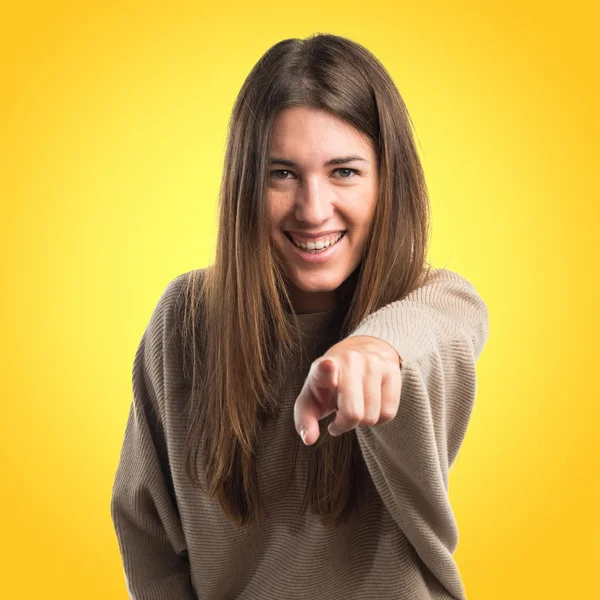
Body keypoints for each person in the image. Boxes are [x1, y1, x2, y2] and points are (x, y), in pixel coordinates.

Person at [110, 33, 489, 600]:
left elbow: (444, 325)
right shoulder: (185, 320)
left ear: (389, 181)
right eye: (281, 173)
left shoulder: (431, 304)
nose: (313, 210)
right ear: (244, 185)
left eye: (344, 172)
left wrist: (374, 349)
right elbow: (146, 531)